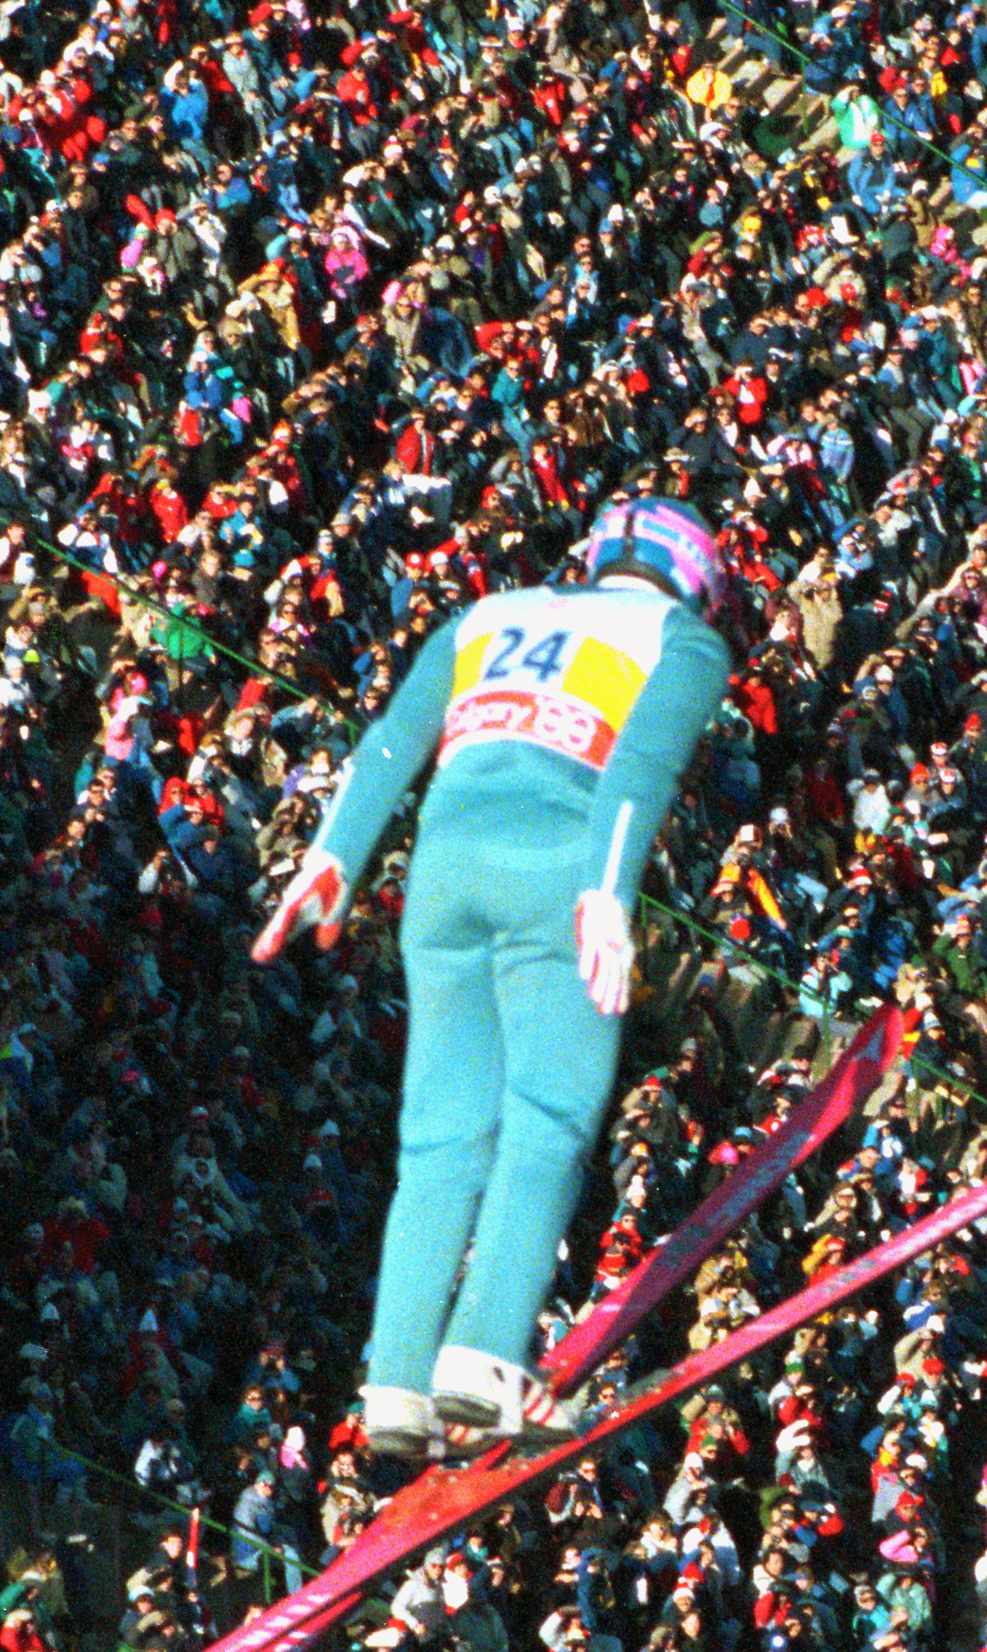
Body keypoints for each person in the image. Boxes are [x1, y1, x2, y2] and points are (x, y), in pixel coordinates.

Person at [254, 500, 738, 1455]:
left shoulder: (484, 615)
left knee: (440, 1135)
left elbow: (392, 739)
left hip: (441, 875)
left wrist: (335, 854)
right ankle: (480, 1355)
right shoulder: (680, 640)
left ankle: (393, 1382)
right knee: (547, 1115)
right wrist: (608, 891)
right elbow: (640, 763)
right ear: (696, 582)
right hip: (557, 868)